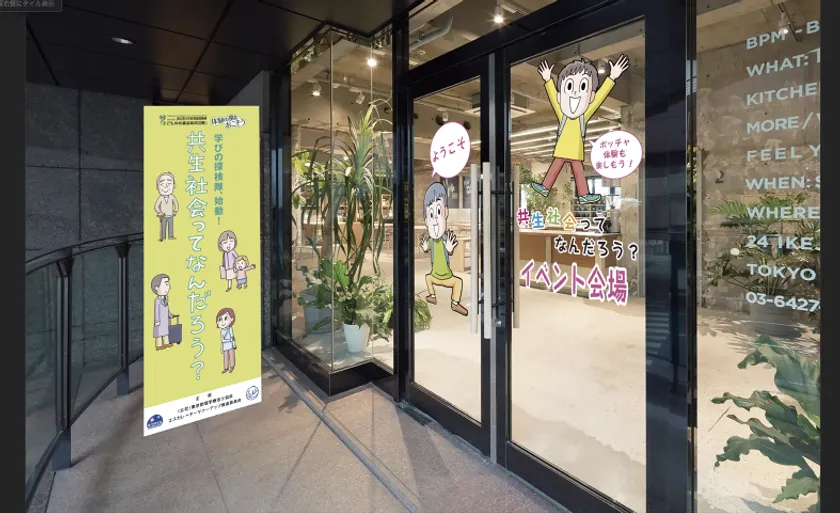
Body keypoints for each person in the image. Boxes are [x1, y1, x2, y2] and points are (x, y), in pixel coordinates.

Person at [531, 55, 630, 203]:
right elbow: (552, 97)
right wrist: (548, 80)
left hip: (573, 149)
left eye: (583, 87)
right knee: (565, 168)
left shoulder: (583, 115)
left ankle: (576, 193)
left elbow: (599, 98)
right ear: (560, 96)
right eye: (569, 87)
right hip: (567, 148)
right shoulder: (563, 114)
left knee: (576, 171)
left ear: (591, 96)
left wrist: (612, 78)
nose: (575, 93)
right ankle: (551, 188)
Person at [419, 182, 468, 316]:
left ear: (445, 213)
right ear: (426, 221)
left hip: (447, 276)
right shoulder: (431, 240)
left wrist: (450, 249)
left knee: (458, 282)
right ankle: (432, 296)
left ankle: (455, 303)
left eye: (438, 212)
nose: (435, 218)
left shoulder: (445, 239)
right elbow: (427, 249)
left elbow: (449, 251)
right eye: (431, 214)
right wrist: (425, 248)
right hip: (434, 275)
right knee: (428, 278)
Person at [151, 274, 175, 351]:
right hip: (159, 320)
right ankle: (158, 345)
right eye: (166, 284)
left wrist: (170, 315)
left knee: (165, 331)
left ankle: (166, 342)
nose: (169, 287)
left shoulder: (166, 298)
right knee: (159, 333)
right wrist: (157, 320)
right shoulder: (157, 300)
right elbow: (156, 311)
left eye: (168, 284)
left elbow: (166, 309)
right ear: (157, 288)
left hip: (165, 319)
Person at [153, 172, 179, 242]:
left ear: (174, 186)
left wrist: (175, 211)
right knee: (163, 226)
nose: (165, 186)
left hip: (170, 214)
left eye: (169, 184)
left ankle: (171, 236)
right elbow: (156, 206)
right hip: (163, 215)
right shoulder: (160, 198)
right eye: (162, 184)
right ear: (157, 187)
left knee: (171, 226)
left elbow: (176, 204)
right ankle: (163, 237)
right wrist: (160, 212)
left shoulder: (172, 197)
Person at [216, 307, 237, 374]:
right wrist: (222, 346)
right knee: (225, 356)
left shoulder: (230, 329)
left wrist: (234, 344)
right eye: (220, 319)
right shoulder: (222, 330)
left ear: (231, 319)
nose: (223, 322)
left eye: (225, 318)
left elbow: (232, 336)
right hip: (224, 343)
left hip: (230, 342)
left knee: (231, 355)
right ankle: (226, 368)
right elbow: (222, 339)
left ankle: (232, 366)